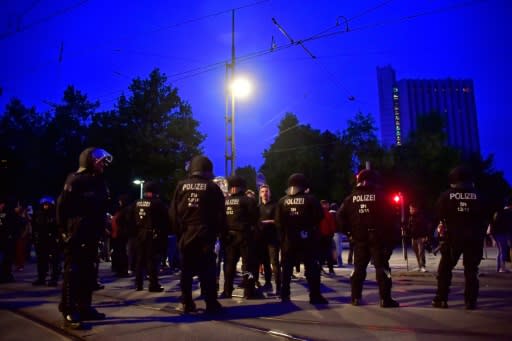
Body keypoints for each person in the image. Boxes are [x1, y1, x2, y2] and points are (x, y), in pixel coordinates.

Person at [56, 147, 112, 329]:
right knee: (73, 272)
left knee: (89, 271)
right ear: (90, 161)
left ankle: (85, 306)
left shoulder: (99, 182)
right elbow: (62, 207)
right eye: (100, 161)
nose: (103, 164)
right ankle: (69, 309)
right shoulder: (75, 180)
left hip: (92, 234)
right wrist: (64, 232)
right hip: (76, 233)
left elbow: (102, 206)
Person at [169, 155, 225, 314]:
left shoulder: (181, 186)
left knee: (186, 270)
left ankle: (186, 302)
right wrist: (218, 233)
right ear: (207, 170)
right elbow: (220, 214)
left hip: (186, 233)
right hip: (206, 234)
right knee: (207, 270)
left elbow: (173, 212)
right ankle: (211, 303)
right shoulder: (212, 187)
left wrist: (179, 233)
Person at [336, 169, 399, 308]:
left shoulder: (350, 198)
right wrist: (390, 240)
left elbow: (339, 217)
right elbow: (392, 219)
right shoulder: (382, 197)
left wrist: (349, 233)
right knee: (382, 269)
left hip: (359, 239)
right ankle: (385, 299)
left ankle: (356, 298)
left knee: (358, 269)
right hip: (378, 239)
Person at [432, 165, 487, 310]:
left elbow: (437, 215)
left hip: (452, 239)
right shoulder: (479, 195)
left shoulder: (446, 196)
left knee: (445, 270)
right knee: (471, 271)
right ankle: (470, 301)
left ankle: (441, 299)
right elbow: (485, 217)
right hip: (473, 239)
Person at [276, 173, 327, 304]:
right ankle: (314, 296)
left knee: (286, 269)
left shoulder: (282, 201)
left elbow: (278, 222)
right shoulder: (311, 199)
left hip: (289, 239)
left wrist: (282, 239)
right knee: (312, 268)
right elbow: (320, 217)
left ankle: (284, 294)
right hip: (307, 239)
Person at [219, 175, 261, 299]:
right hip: (245, 236)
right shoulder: (248, 200)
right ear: (242, 187)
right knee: (248, 265)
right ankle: (249, 291)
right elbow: (255, 218)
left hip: (229, 237)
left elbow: (220, 219)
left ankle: (227, 291)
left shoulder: (224, 201)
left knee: (229, 265)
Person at [131, 182, 169, 292]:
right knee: (152, 260)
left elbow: (130, 217)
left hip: (139, 234)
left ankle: (138, 284)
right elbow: (165, 220)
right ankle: (153, 284)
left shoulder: (137, 203)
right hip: (152, 234)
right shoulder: (157, 203)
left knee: (139, 259)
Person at [32, 196, 61, 286]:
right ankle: (41, 278)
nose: (45, 206)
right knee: (41, 260)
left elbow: (58, 226)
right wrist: (35, 238)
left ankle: (54, 279)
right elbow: (34, 227)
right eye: (44, 204)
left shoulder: (56, 214)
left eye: (47, 204)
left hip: (53, 240)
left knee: (54, 261)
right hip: (41, 240)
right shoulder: (38, 214)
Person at [257, 184, 281, 295]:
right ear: (260, 194)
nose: (264, 193)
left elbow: (277, 221)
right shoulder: (258, 207)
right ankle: (267, 284)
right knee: (265, 263)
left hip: (273, 239)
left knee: (274, 263)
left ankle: (279, 287)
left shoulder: (275, 206)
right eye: (262, 191)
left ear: (269, 193)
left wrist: (265, 222)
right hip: (261, 239)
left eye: (266, 191)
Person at [488, 196, 512, 272]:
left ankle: (500, 268)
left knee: (501, 251)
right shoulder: (507, 213)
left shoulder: (498, 212)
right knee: (503, 251)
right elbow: (508, 225)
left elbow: (492, 223)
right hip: (501, 233)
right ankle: (502, 268)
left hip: (496, 233)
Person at [405, 202, 430, 272]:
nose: (410, 210)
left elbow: (425, 227)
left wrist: (426, 236)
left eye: (412, 209)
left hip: (421, 237)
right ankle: (419, 265)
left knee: (421, 252)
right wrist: (406, 229)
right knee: (416, 252)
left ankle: (423, 266)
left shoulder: (421, 216)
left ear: (415, 209)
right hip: (414, 237)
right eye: (410, 209)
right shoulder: (410, 217)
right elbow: (409, 227)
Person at [0, 197, 16, 283]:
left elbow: (11, 225)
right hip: (3, 238)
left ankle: (7, 275)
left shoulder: (8, 213)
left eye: (2, 204)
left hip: (6, 239)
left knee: (7, 258)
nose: (1, 206)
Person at [319, 200, 336, 275]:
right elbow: (332, 226)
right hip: (327, 236)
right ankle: (331, 269)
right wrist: (332, 233)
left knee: (320, 253)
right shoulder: (329, 214)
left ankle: (320, 268)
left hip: (319, 236)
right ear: (326, 205)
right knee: (329, 252)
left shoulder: (317, 214)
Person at [330, 203, 344, 268]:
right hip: (338, 232)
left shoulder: (330, 214)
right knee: (338, 246)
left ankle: (334, 261)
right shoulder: (338, 214)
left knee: (333, 247)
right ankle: (339, 261)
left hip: (332, 232)